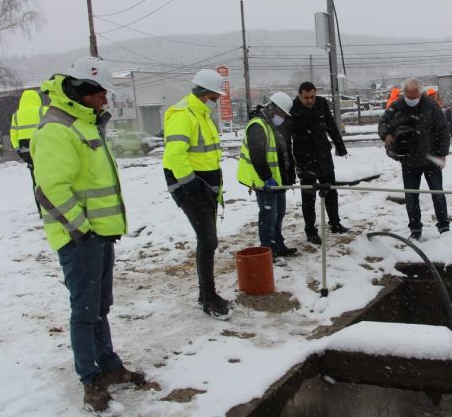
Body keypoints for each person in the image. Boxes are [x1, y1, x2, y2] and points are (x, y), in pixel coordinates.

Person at [30, 56, 146, 414]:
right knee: (84, 311)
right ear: (83, 91)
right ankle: (89, 378)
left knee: (100, 307)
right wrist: (81, 230)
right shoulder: (57, 129)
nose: (106, 101)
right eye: (101, 95)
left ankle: (109, 365)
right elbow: (49, 188)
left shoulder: (85, 124)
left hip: (100, 234)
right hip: (81, 237)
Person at [163, 69, 233, 319]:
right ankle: (208, 297)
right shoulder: (184, 114)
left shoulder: (202, 114)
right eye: (215, 95)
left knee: (208, 241)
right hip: (193, 188)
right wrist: (190, 185)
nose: (216, 100)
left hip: (205, 187)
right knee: (208, 241)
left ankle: (206, 295)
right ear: (206, 93)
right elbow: (174, 155)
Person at [378, 78, 450, 240]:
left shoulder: (431, 106)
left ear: (421, 93)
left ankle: (444, 226)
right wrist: (386, 134)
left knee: (438, 193)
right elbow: (383, 122)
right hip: (408, 159)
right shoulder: (398, 105)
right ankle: (415, 229)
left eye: (414, 97)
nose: (411, 100)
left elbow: (443, 131)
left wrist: (442, 154)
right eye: (408, 97)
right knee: (411, 196)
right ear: (404, 94)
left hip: (431, 159)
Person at [237, 92, 298, 263]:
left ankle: (279, 245)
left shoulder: (273, 126)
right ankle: (269, 250)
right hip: (264, 181)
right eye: (282, 114)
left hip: (277, 180)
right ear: (273, 109)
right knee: (268, 217)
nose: (284, 117)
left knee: (278, 214)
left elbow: (282, 153)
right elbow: (257, 156)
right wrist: (266, 178)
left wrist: (287, 176)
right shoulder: (257, 125)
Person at [290, 82, 349, 245]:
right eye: (306, 98)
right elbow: (287, 137)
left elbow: (331, 125)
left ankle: (335, 223)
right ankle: (310, 230)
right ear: (299, 96)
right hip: (304, 158)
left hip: (323, 155)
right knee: (308, 197)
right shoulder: (292, 109)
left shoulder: (322, 103)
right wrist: (291, 162)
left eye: (312, 97)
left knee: (331, 191)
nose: (310, 100)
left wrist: (340, 146)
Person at [10, 88, 47, 216]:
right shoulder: (43, 111)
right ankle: (54, 209)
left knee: (36, 181)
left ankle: (41, 209)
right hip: (44, 149)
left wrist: (19, 152)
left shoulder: (16, 115)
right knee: (50, 179)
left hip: (27, 153)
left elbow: (13, 136)